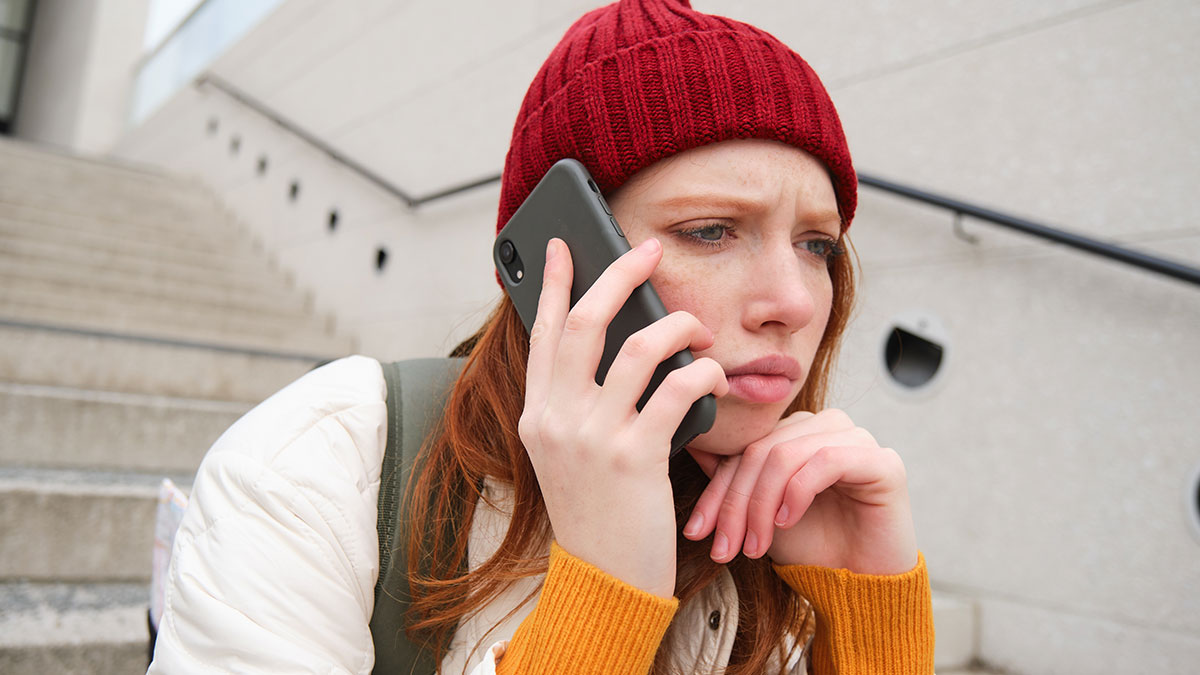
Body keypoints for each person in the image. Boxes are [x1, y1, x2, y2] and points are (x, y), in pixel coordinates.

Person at [149, 1, 935, 673]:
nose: (794, 301)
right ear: (566, 253)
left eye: (818, 245)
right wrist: (600, 595)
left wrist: (866, 616)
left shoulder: (783, 526)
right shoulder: (320, 466)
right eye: (710, 230)